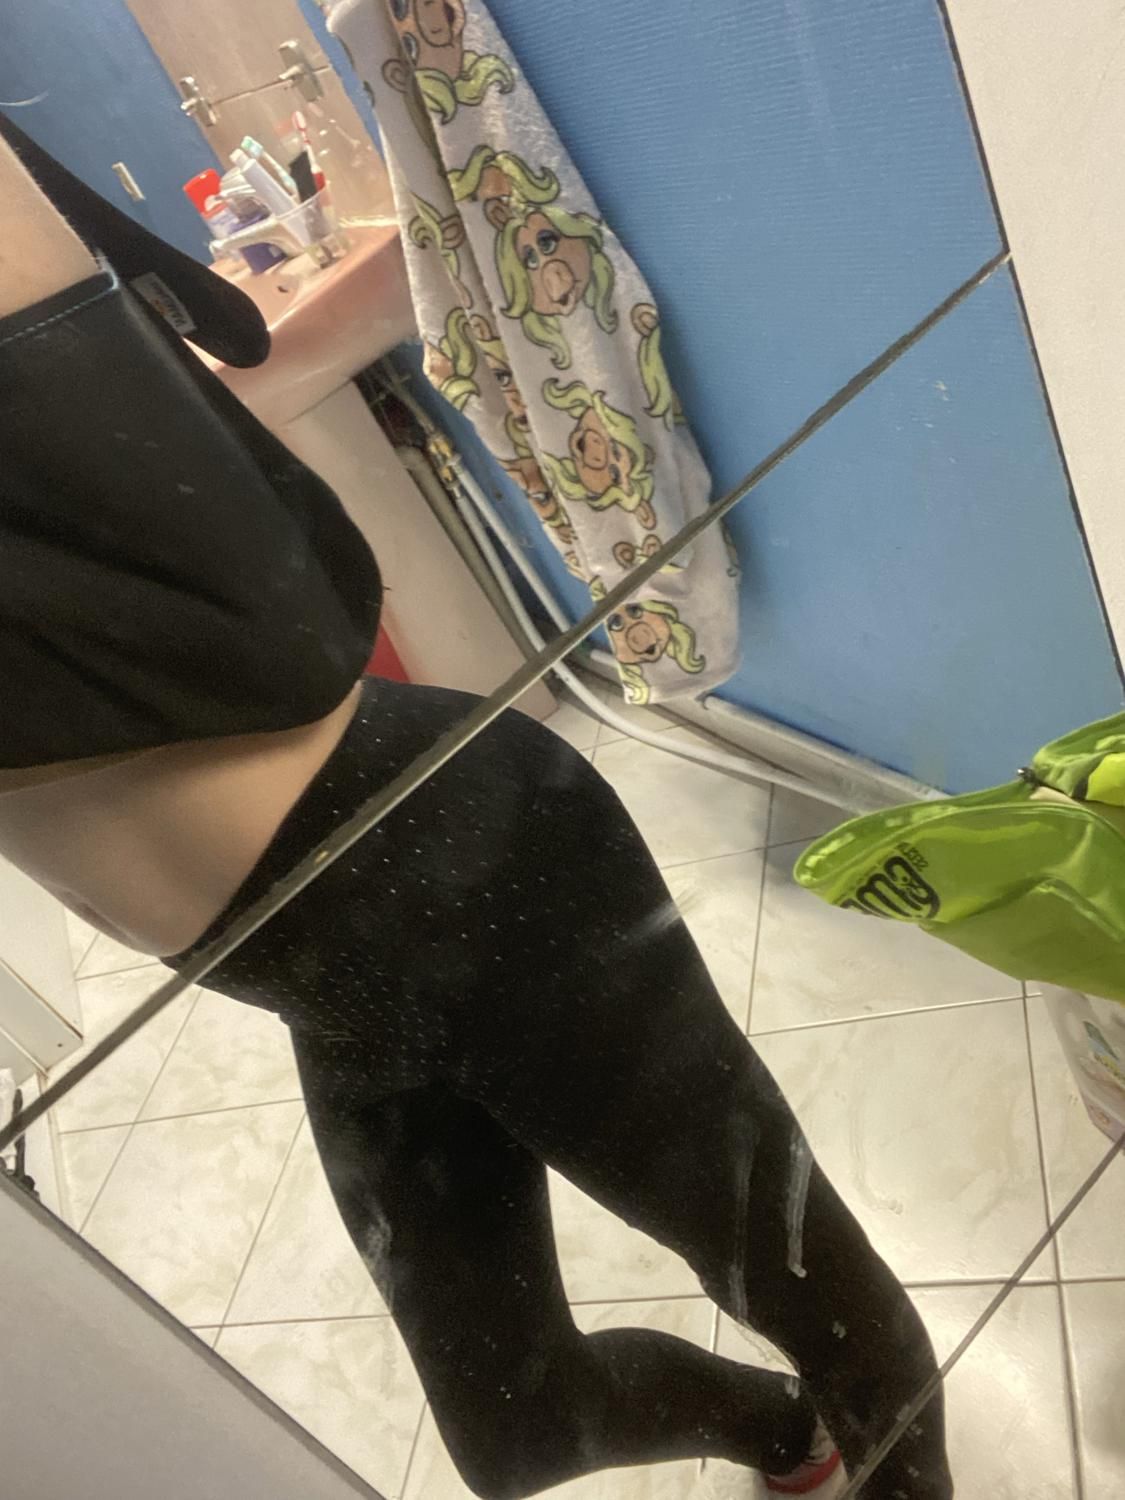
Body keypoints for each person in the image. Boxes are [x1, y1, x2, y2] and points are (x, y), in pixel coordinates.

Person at [0, 120, 952, 1500]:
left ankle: (864, 1445)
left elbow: (259, 587)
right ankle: (783, 1434)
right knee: (518, 1435)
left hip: (461, 857)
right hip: (317, 974)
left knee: (817, 1299)